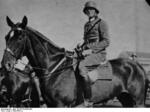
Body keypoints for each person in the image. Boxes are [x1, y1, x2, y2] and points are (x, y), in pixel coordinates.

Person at [78, 1, 110, 107]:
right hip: (87, 53)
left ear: (96, 11)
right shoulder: (86, 25)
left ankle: (88, 100)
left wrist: (91, 50)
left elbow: (106, 41)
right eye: (87, 10)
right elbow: (87, 42)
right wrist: (81, 47)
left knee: (82, 66)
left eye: (91, 9)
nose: (89, 11)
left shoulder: (102, 23)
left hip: (99, 54)